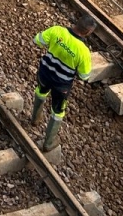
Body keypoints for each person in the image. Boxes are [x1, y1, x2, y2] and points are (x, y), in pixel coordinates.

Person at [30, 14, 97, 150]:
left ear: (77, 22)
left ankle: (35, 119)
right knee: (58, 111)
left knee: (41, 91)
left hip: (45, 73)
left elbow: (37, 40)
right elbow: (84, 76)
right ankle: (48, 143)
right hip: (62, 85)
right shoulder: (83, 51)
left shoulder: (57, 31)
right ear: (88, 32)